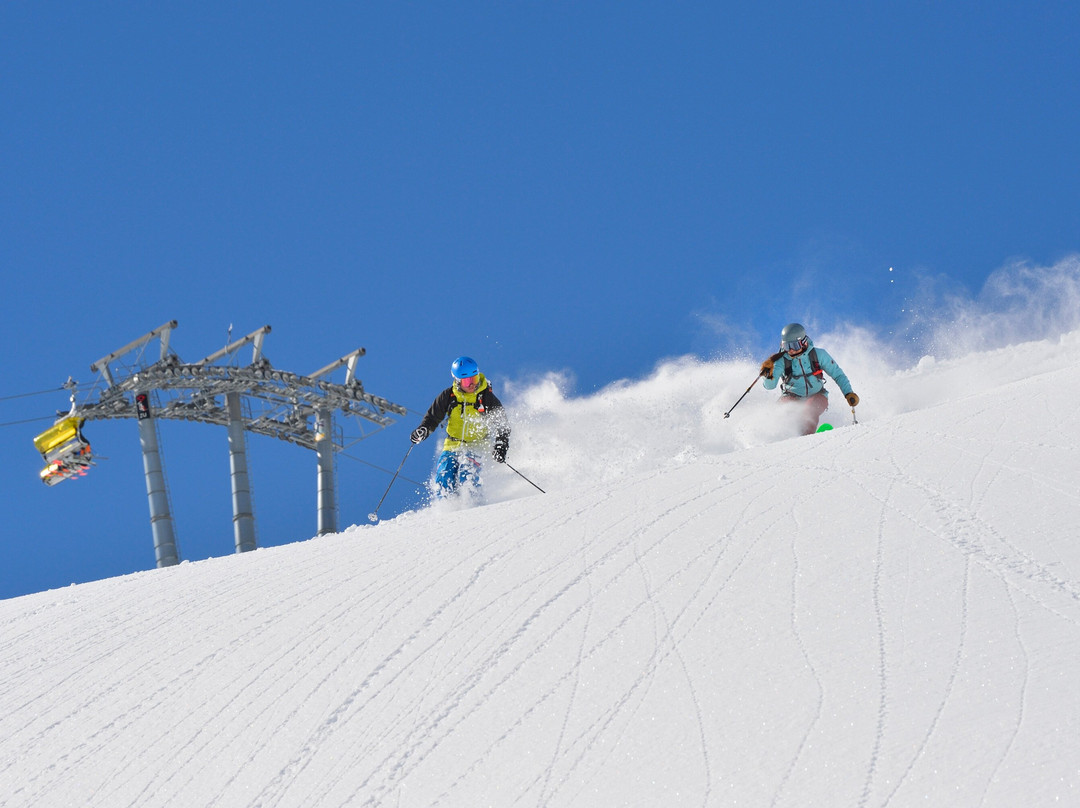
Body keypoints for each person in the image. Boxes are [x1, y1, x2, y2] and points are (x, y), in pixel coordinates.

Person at [410, 356, 511, 496]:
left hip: (477, 445)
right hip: (452, 445)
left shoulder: (486, 398)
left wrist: (501, 446)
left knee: (467, 474)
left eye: (474, 379)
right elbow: (432, 418)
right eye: (467, 381)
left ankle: (473, 503)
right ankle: (446, 506)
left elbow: (502, 425)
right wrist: (423, 430)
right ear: (457, 381)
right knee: (444, 476)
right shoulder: (448, 396)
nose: (472, 384)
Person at [759, 323, 859, 435]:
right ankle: (781, 438)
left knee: (809, 410)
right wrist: (768, 375)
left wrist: (848, 393)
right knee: (782, 410)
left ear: (804, 342)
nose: (790, 350)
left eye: (794, 345)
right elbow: (770, 386)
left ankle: (807, 439)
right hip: (791, 396)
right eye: (787, 346)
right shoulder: (781, 361)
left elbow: (838, 375)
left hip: (817, 395)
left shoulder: (818, 355)